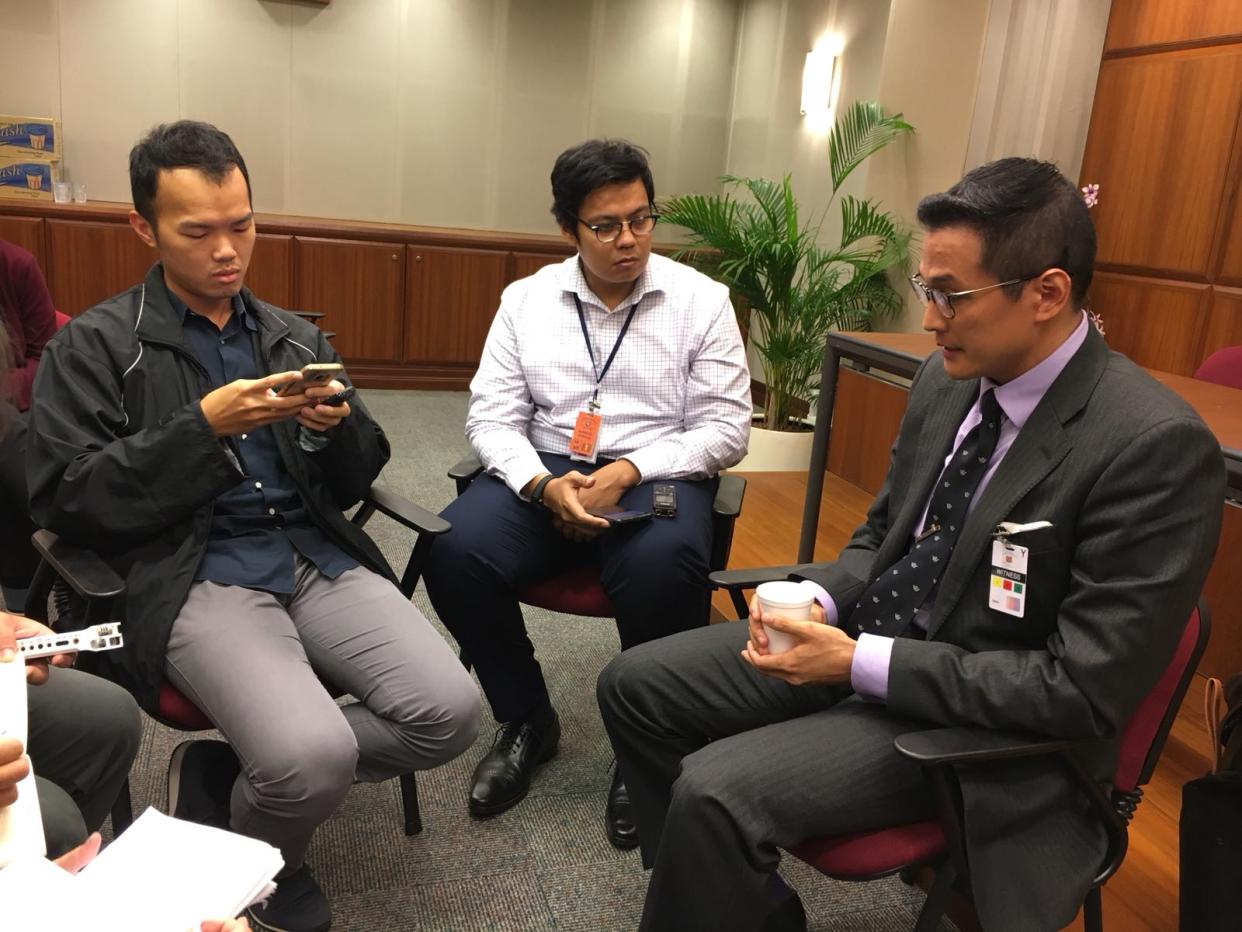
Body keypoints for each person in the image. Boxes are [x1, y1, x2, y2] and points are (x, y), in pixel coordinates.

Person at [597, 157, 1225, 931]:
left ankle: (713, 882)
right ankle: (743, 906)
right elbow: (882, 534)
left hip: (986, 728)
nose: (929, 320)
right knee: (633, 686)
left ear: (1048, 294)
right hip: (872, 644)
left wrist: (857, 660)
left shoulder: (1151, 447)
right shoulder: (947, 380)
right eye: (927, 291)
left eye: (950, 297)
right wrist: (823, 598)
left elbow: (1077, 691)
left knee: (714, 791)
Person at [26, 120, 481, 932]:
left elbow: (357, 474)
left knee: (449, 712)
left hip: (308, 553)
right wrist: (202, 428)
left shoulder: (289, 333)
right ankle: (263, 868)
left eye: (242, 224)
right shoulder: (96, 346)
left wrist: (329, 429)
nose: (228, 250)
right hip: (194, 572)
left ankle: (241, 777)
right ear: (144, 228)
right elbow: (68, 497)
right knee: (312, 756)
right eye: (198, 231)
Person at [422, 139, 750, 846]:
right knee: (451, 550)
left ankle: (645, 745)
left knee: (664, 567)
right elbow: (490, 414)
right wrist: (542, 485)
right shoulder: (527, 300)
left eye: (641, 218)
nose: (628, 240)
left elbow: (727, 429)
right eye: (606, 226)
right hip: (547, 466)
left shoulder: (703, 302)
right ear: (568, 228)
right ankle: (527, 719)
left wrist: (630, 470)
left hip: (657, 468)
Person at [0, 238, 58, 612]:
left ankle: (24, 607)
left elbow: (47, 352)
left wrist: (11, 385)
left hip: (13, 405)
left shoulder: (17, 264)